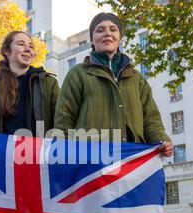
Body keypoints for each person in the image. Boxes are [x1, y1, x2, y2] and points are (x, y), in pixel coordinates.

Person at [54, 13, 173, 157]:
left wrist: (161, 140)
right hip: (91, 164)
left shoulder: (137, 79)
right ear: (92, 39)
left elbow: (151, 120)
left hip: (132, 163)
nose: (107, 33)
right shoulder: (78, 74)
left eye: (113, 29)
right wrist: (65, 156)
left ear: (120, 38)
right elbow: (64, 121)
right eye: (100, 30)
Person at [0, 31, 59, 136]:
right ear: (6, 50)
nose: (28, 49)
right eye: (21, 44)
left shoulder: (48, 83)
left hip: (37, 151)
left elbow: (61, 122)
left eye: (31, 46)